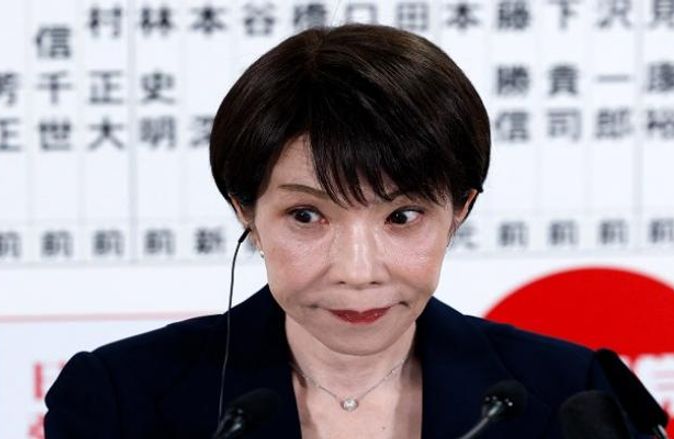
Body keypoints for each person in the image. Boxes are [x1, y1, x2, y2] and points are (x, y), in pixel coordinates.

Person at [44, 24, 641, 438]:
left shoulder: (572, 393)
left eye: (401, 216)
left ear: (460, 210)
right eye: (307, 216)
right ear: (245, 210)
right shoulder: (121, 398)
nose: (358, 271)